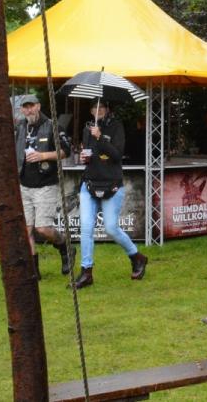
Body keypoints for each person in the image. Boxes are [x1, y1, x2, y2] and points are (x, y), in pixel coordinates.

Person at [72, 99, 147, 288]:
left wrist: (100, 138)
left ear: (107, 109)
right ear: (90, 110)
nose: (98, 111)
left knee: (111, 228)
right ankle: (86, 272)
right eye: (94, 107)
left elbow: (117, 155)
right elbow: (89, 153)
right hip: (89, 182)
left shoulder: (116, 126)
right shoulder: (87, 128)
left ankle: (137, 257)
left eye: (101, 107)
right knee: (86, 228)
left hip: (111, 183)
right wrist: (84, 156)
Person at [14, 94, 73, 279]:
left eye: (31, 106)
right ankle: (34, 271)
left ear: (38, 106)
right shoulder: (20, 126)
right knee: (27, 229)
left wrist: (43, 156)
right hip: (24, 185)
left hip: (46, 184)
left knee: (43, 228)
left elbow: (66, 151)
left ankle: (65, 246)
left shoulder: (52, 125)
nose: (28, 110)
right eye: (25, 107)